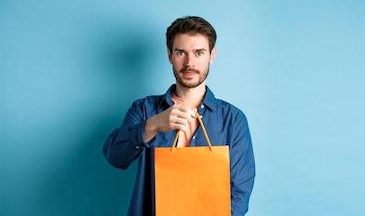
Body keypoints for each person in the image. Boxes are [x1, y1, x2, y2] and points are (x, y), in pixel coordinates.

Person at [103, 16, 255, 216]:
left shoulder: (233, 120)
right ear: (169, 56)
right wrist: (151, 126)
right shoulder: (144, 109)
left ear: (212, 55)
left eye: (198, 53)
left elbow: (240, 192)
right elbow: (115, 157)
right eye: (181, 52)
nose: (189, 62)